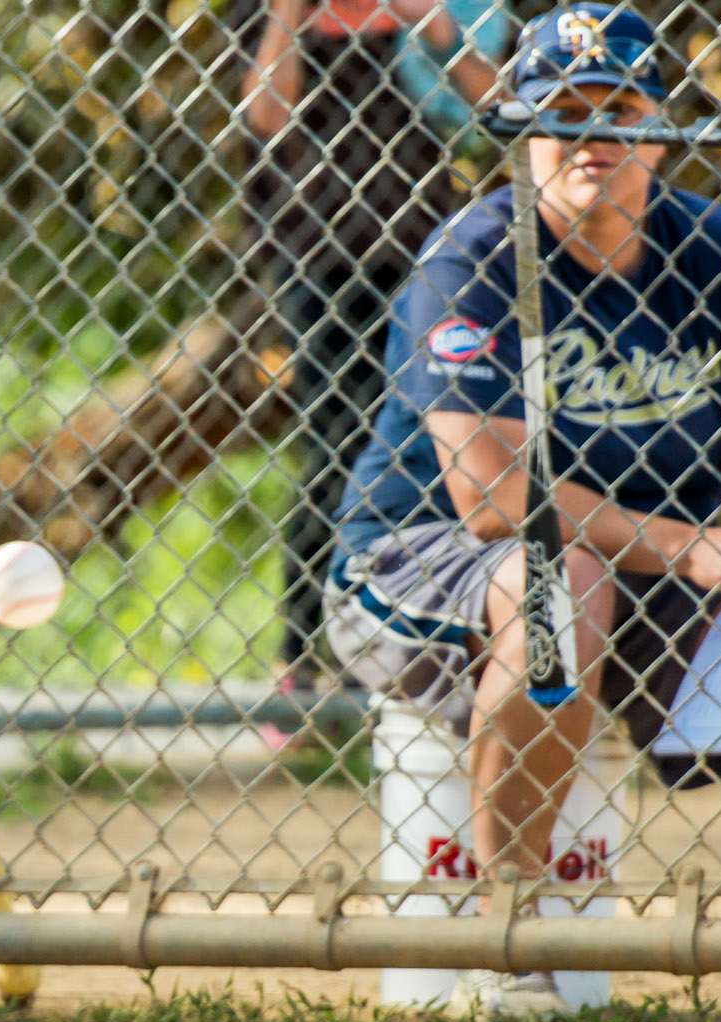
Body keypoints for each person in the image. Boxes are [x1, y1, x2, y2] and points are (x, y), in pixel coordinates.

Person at [328, 4, 721, 1013]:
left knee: (594, 578)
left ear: (660, 129)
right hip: (420, 564)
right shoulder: (472, 261)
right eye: (562, 111)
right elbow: (490, 498)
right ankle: (510, 921)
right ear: (521, 131)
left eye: (620, 107)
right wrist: (698, 546)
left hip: (658, 568)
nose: (593, 134)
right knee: (564, 583)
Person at [240, 0, 509, 689]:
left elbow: (501, 111)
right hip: (316, 254)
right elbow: (266, 117)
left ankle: (411, 641)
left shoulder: (430, 13)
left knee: (429, 442)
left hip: (422, 255)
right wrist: (288, 17)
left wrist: (434, 28)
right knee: (333, 443)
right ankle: (302, 654)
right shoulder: (275, 12)